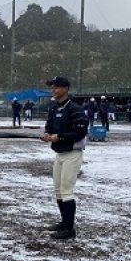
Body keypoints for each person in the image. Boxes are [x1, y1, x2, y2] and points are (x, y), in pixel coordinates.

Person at [41, 76, 89, 240]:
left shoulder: (75, 109)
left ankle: (69, 229)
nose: (53, 90)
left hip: (72, 154)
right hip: (60, 153)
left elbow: (81, 132)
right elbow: (49, 125)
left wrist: (60, 136)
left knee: (66, 191)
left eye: (56, 87)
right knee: (58, 190)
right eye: (52, 87)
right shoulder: (53, 108)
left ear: (65, 89)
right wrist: (47, 134)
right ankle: (63, 223)